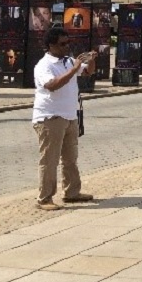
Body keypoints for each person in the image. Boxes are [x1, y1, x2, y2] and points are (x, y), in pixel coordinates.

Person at [31, 28, 95, 211]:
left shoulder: (68, 61)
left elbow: (87, 73)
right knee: (49, 160)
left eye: (68, 43)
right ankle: (44, 198)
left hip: (69, 115)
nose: (67, 47)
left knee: (70, 158)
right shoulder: (44, 65)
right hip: (50, 117)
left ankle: (72, 192)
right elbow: (52, 85)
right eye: (62, 44)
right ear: (51, 45)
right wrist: (74, 68)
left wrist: (91, 61)